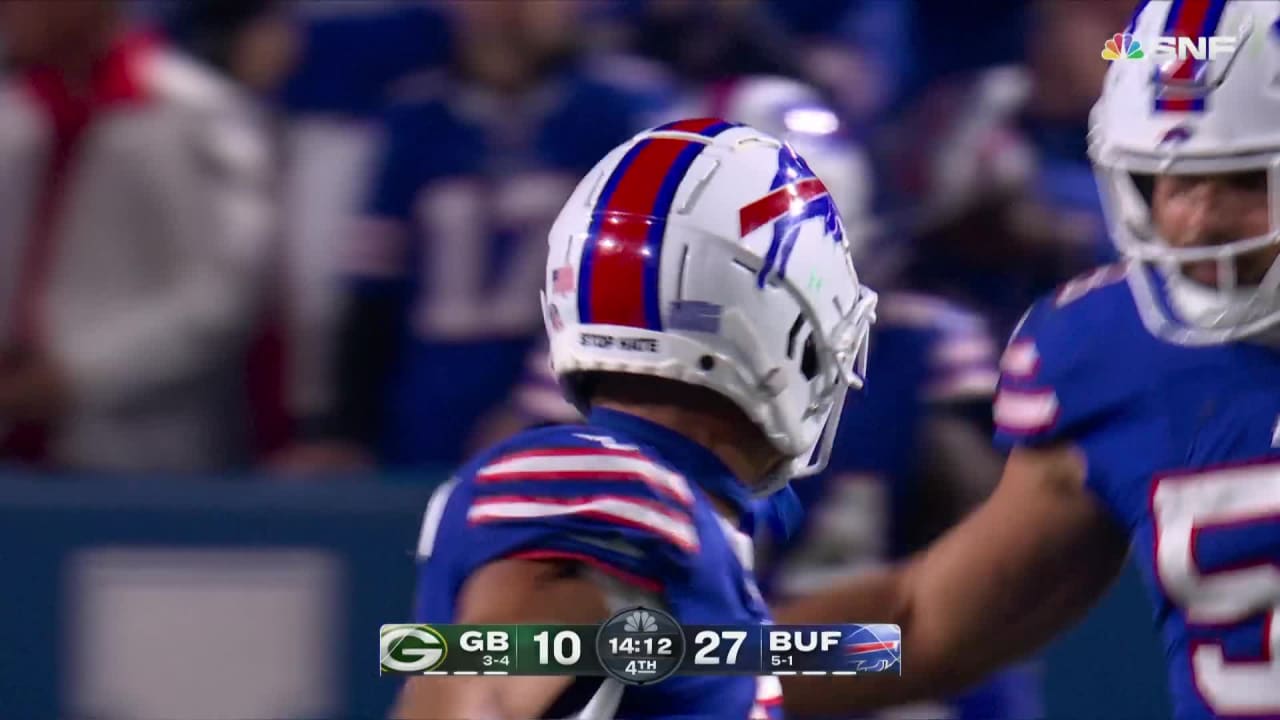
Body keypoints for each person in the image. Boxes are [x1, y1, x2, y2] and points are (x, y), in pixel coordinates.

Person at [772, 3, 1280, 720]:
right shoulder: (1118, 355)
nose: (1198, 224)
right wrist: (670, 666)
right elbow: (921, 629)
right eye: (1171, 182)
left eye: (1245, 181)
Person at [393, 119, 878, 719]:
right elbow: (481, 694)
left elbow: (907, 626)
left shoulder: (686, 523)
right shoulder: (612, 487)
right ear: (781, 322)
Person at [0, 0, 273, 473]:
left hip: (141, 455)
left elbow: (224, 294)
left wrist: (76, 376)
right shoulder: (13, 118)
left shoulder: (196, 113)